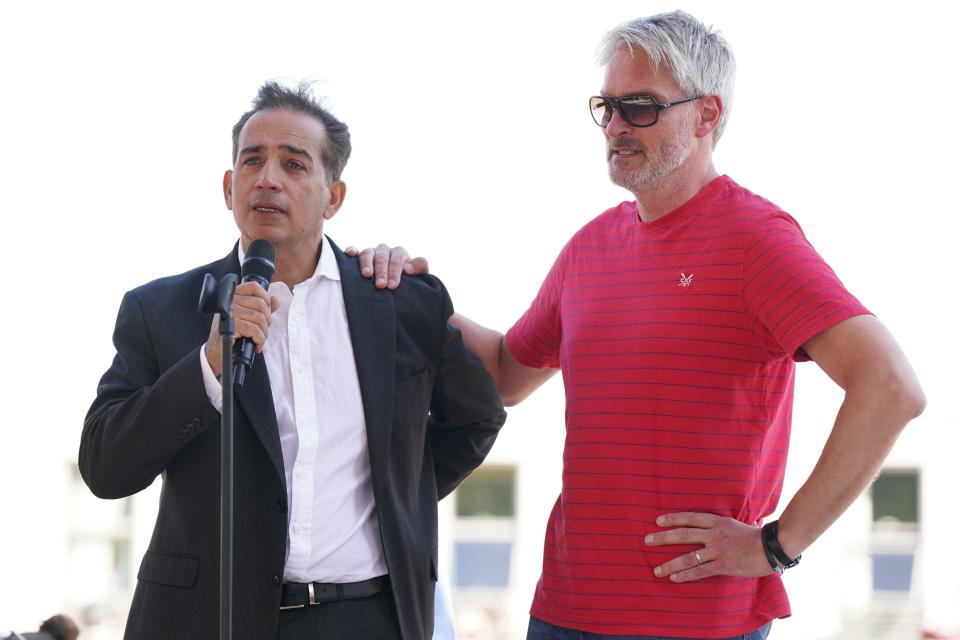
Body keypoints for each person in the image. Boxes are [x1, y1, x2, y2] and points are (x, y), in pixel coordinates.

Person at [354, 10, 925, 639]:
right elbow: (505, 376)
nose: (618, 126)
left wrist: (776, 545)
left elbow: (891, 388)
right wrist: (406, 290)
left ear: (707, 115)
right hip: (562, 612)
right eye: (608, 107)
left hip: (694, 621)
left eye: (642, 107)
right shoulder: (590, 248)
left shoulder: (756, 241)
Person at [79, 81, 506, 640]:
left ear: (334, 196)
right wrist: (207, 367)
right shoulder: (161, 310)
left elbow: (478, 419)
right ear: (229, 186)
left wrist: (397, 495)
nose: (268, 178)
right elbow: (105, 466)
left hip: (368, 617)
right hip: (208, 618)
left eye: (294, 164)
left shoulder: (402, 302)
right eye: (252, 161)